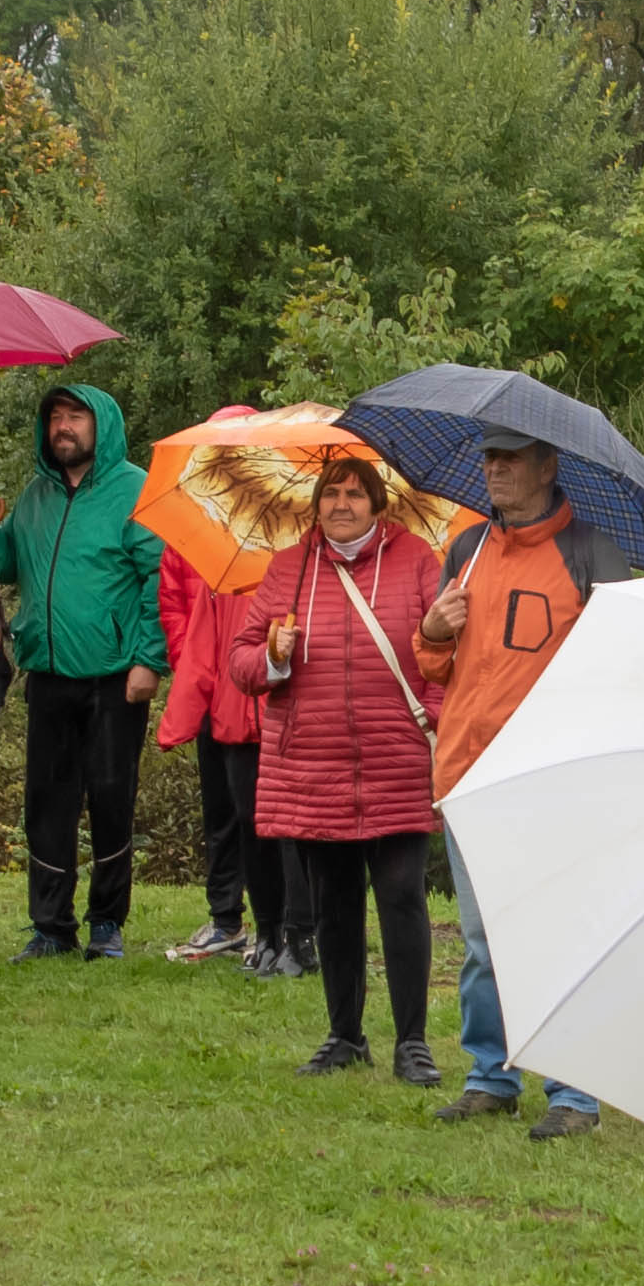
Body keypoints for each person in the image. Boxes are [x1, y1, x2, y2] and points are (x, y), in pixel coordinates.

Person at [425, 433, 633, 1136]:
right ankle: (491, 1077)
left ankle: (575, 1094)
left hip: (554, 781)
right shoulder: (467, 548)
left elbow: (628, 664)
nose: (496, 469)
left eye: (511, 458)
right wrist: (433, 629)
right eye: (489, 458)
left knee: (560, 938)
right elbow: (435, 664)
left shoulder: (590, 554)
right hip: (467, 772)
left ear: (548, 467)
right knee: (483, 942)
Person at [234, 453, 447, 1083]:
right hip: (315, 763)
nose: (341, 504)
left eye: (355, 494)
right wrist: (273, 657)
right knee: (334, 902)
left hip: (397, 757)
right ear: (317, 505)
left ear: (378, 505)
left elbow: (445, 655)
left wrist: (433, 720)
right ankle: (345, 1036)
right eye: (331, 494)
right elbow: (241, 662)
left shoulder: (417, 561)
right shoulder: (288, 568)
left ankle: (412, 1043)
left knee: (402, 896)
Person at [0, 377, 165, 959]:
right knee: (46, 802)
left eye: (75, 417)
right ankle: (51, 927)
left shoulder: (136, 489)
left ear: (101, 425)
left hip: (114, 673)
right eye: (55, 417)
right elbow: (6, 566)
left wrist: (149, 660)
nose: (62, 427)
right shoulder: (34, 495)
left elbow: (159, 580)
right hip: (47, 670)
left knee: (112, 797)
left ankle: (106, 923)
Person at [155, 520, 276, 967]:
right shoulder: (193, 529)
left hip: (275, 696)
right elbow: (173, 601)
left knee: (274, 819)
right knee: (221, 811)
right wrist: (194, 663)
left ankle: (283, 927)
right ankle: (226, 920)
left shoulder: (289, 534)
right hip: (213, 690)